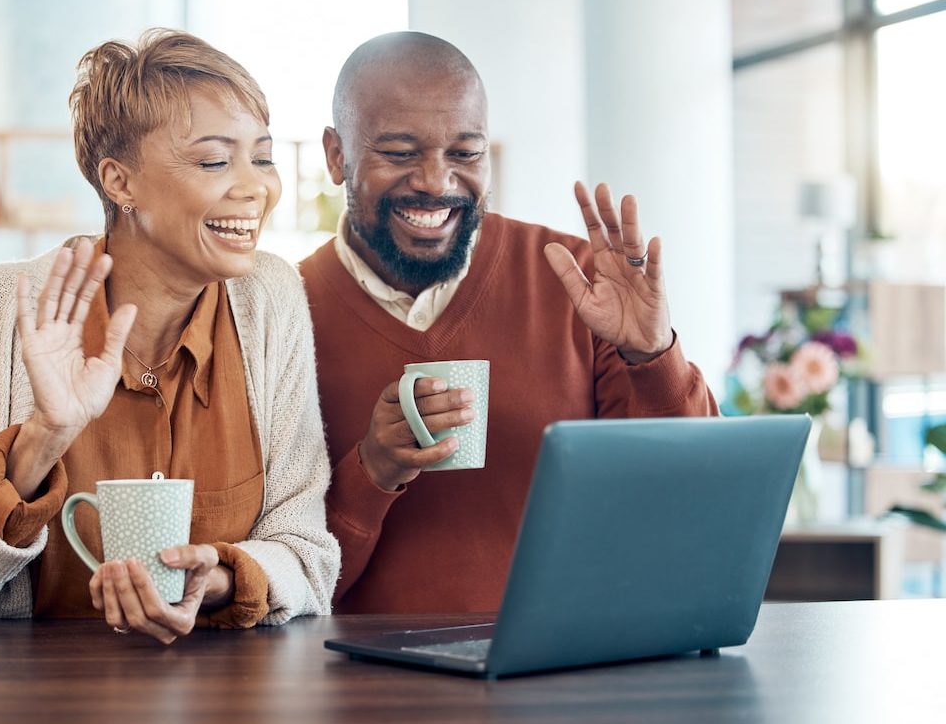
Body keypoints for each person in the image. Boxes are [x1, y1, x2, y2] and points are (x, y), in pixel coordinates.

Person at [0, 29, 338, 642]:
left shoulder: (271, 300)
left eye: (261, 157)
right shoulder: (0, 310)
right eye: (213, 160)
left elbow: (309, 550)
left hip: (228, 695)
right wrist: (43, 439)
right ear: (119, 182)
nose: (255, 186)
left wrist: (224, 579)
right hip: (32, 694)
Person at [297, 32, 717, 614]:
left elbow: (692, 512)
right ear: (337, 155)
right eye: (399, 153)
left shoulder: (581, 282)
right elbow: (280, 584)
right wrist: (372, 470)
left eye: (465, 153)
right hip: (366, 688)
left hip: (559, 679)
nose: (436, 182)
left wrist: (652, 355)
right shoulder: (285, 312)